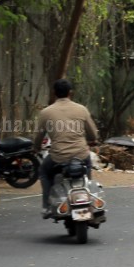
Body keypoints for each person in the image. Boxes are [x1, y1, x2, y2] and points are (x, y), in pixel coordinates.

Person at [34, 78, 98, 218]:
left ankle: (46, 205)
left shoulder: (46, 112)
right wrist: (93, 140)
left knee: (44, 171)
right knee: (87, 169)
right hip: (81, 154)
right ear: (70, 93)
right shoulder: (82, 109)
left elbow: (39, 136)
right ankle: (89, 197)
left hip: (58, 156)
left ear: (54, 93)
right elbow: (93, 133)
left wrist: (36, 148)